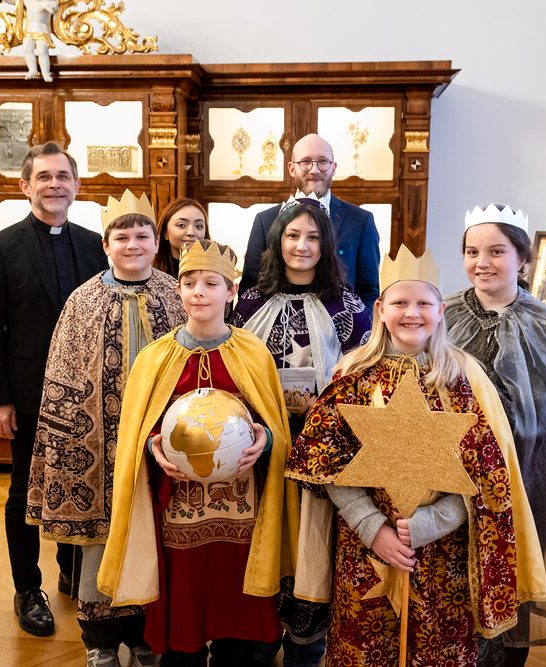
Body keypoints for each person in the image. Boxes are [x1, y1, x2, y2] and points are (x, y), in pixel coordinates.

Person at [286, 244, 546, 666]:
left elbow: (487, 478)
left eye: (424, 303)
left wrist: (434, 521)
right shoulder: (352, 375)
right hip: (367, 550)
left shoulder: (463, 378)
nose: (412, 313)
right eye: (400, 303)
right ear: (380, 310)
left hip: (443, 556)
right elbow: (325, 464)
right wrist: (373, 528)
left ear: (441, 310)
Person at [98, 240, 301, 667]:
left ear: (231, 291)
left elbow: (275, 428)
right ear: (178, 290)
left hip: (242, 516)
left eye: (211, 283)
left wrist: (265, 439)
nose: (199, 292)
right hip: (178, 512)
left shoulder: (253, 353)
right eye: (189, 283)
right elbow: (138, 433)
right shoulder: (155, 358)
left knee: (236, 629)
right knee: (183, 630)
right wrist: (154, 446)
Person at [26, 191, 186, 667]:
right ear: (105, 244)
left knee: (155, 535)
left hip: (159, 438)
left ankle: (145, 635)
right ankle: (99, 639)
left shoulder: (175, 294)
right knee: (101, 538)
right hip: (97, 441)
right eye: (122, 237)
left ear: (156, 243)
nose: (132, 245)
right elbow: (62, 373)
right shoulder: (83, 300)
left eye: (142, 236)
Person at [231, 197, 372, 667]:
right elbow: (232, 367)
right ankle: (258, 640)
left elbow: (364, 379)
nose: (302, 245)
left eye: (313, 237)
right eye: (293, 235)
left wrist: (326, 408)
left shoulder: (348, 307)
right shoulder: (250, 302)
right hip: (259, 446)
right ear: (277, 241)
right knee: (264, 538)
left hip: (321, 450)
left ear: (327, 245)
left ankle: (305, 647)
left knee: (311, 545)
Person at [0, 141, 107, 636]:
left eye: (63, 177)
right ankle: (28, 588)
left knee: (80, 479)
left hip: (85, 392)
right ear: (25, 186)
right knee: (22, 491)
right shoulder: (1, 245)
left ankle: (72, 569)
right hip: (28, 393)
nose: (55, 185)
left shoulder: (94, 243)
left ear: (76, 185)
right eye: (44, 177)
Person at [444, 204, 546, 667]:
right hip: (450, 471)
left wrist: (487, 427)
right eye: (472, 252)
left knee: (509, 568)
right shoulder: (442, 314)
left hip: (522, 472)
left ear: (522, 258)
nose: (481, 262)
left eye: (496, 251)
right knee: (454, 570)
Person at [240, 133, 381, 304]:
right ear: (291, 168)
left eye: (323, 161)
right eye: (305, 161)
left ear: (334, 168)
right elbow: (249, 288)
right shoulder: (265, 221)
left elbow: (369, 292)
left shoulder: (361, 221)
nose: (314, 170)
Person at [153, 198, 210, 278]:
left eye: (199, 226)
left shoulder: (216, 275)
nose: (191, 232)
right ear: (165, 233)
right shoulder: (150, 276)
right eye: (181, 225)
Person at [22, 0, 58, 82]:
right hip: (29, 31)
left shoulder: (46, 2)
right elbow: (13, 1)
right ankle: (32, 69)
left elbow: (54, 10)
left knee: (41, 49)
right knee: (27, 46)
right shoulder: (26, 1)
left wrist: (50, 5)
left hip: (42, 32)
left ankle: (45, 72)